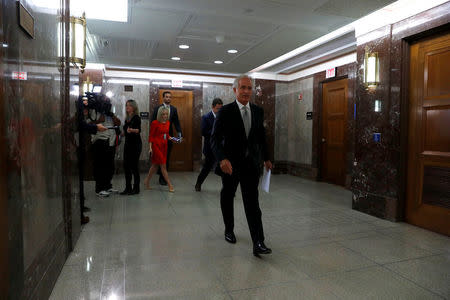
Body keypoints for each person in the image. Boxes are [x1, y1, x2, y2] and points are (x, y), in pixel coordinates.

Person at [211, 74, 273, 257]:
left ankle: (258, 242)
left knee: (252, 203)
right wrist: (222, 159)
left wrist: (267, 158)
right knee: (228, 195)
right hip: (230, 165)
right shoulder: (226, 111)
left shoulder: (258, 111)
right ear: (235, 90)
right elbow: (214, 139)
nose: (246, 91)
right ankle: (229, 230)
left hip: (251, 165)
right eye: (243, 88)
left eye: (249, 88)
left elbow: (261, 137)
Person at [90, 96, 121, 197]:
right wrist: (100, 118)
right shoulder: (94, 111)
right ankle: (99, 189)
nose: (107, 103)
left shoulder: (110, 113)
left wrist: (111, 115)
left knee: (110, 166)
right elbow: (90, 125)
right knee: (100, 166)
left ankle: (108, 186)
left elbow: (118, 123)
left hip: (111, 141)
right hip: (100, 141)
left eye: (108, 101)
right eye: (105, 101)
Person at [151, 91, 182, 185]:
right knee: (159, 158)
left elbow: (176, 122)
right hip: (158, 138)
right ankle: (159, 175)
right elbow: (153, 122)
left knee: (166, 157)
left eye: (170, 97)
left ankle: (163, 177)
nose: (168, 98)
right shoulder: (157, 108)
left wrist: (179, 133)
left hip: (169, 137)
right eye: (167, 97)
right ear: (163, 98)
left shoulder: (173, 109)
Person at [195, 98, 223, 191]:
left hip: (221, 148)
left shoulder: (223, 117)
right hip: (210, 147)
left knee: (224, 168)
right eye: (217, 109)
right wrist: (216, 132)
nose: (219, 111)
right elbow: (204, 132)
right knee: (207, 167)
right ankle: (198, 183)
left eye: (221, 109)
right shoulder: (206, 117)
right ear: (213, 107)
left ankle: (227, 188)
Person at [144, 107, 175, 192]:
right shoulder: (155, 123)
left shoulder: (168, 123)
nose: (165, 116)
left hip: (164, 147)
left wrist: (173, 138)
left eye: (166, 114)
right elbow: (151, 136)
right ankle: (170, 185)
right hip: (156, 146)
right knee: (163, 165)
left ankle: (147, 181)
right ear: (159, 114)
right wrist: (150, 147)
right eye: (163, 114)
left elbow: (167, 135)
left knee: (154, 165)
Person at [120, 100, 142, 195]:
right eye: (126, 105)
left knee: (134, 167)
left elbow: (138, 130)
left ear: (133, 107)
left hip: (136, 145)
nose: (127, 107)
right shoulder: (127, 118)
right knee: (126, 166)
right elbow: (125, 132)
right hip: (128, 144)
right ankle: (128, 188)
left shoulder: (136, 118)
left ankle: (136, 188)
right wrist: (122, 133)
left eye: (129, 105)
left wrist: (131, 130)